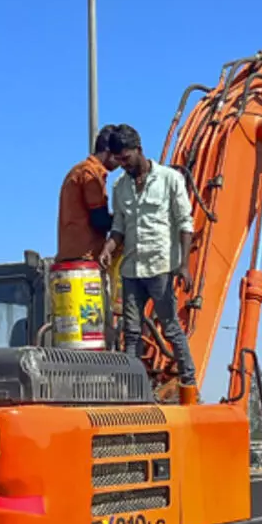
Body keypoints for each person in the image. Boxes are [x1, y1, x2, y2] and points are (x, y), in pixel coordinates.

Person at [98, 124, 197, 387]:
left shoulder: (169, 179)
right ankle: (131, 387)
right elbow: (118, 227)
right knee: (130, 331)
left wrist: (184, 266)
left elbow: (185, 224)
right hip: (132, 270)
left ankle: (189, 380)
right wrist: (108, 250)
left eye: (126, 159)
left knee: (171, 327)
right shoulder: (121, 187)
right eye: (118, 160)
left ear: (139, 150)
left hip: (160, 267)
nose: (122, 165)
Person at [56, 124, 121, 264]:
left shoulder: (78, 170)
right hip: (85, 257)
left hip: (71, 254)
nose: (121, 162)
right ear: (109, 152)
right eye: (119, 156)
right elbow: (99, 220)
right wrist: (125, 220)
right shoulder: (91, 174)